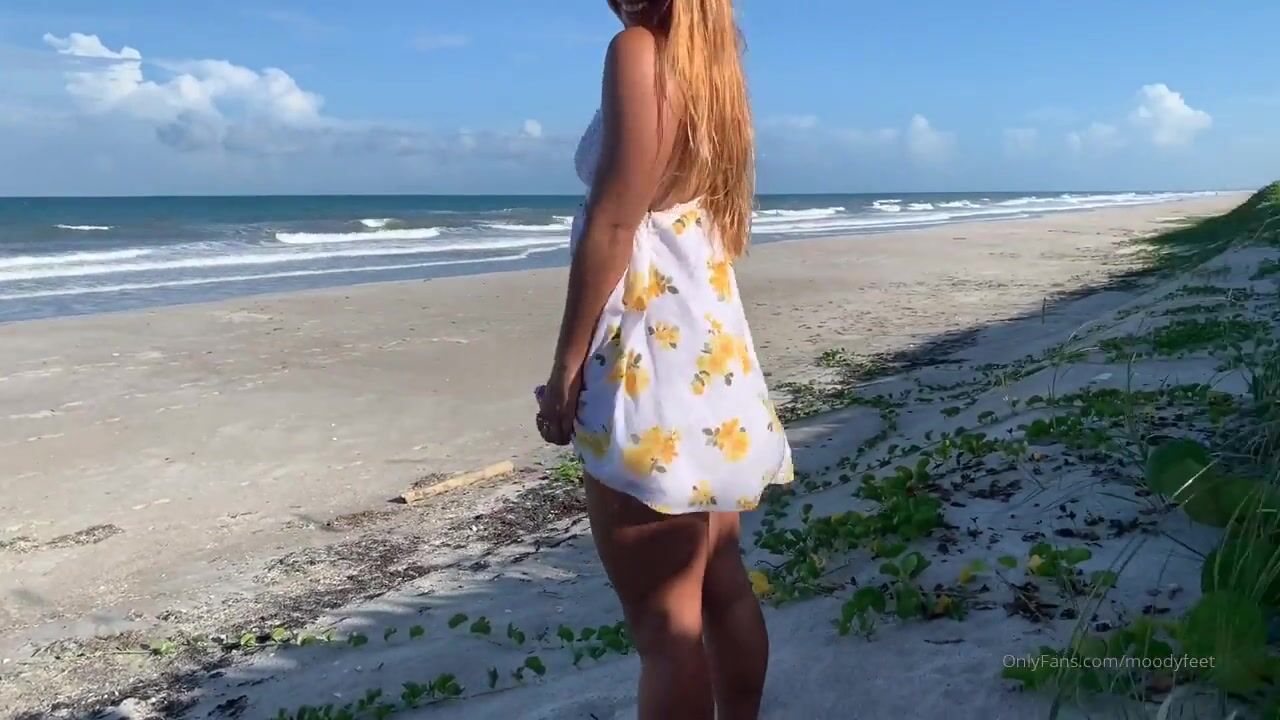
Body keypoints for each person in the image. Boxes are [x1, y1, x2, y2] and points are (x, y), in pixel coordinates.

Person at [535, 1, 793, 717]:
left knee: (664, 626)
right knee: (721, 584)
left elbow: (616, 221)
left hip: (651, 358)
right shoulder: (711, 65)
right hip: (710, 356)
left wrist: (566, 366)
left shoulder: (639, 52)